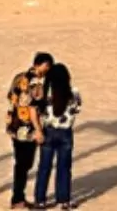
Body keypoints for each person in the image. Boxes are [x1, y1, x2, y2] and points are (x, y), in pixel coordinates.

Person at [33, 61, 79, 209]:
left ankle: (40, 200)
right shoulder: (74, 93)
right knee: (64, 167)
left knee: (44, 167)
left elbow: (37, 109)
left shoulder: (44, 93)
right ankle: (63, 200)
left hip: (48, 131)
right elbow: (77, 109)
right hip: (65, 132)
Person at [7, 51, 51, 205]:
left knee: (21, 163)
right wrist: (38, 129)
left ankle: (18, 196)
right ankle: (17, 198)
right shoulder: (35, 83)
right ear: (38, 65)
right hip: (27, 129)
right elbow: (34, 108)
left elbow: (11, 97)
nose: (47, 69)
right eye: (46, 66)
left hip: (14, 126)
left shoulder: (18, 77)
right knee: (24, 164)